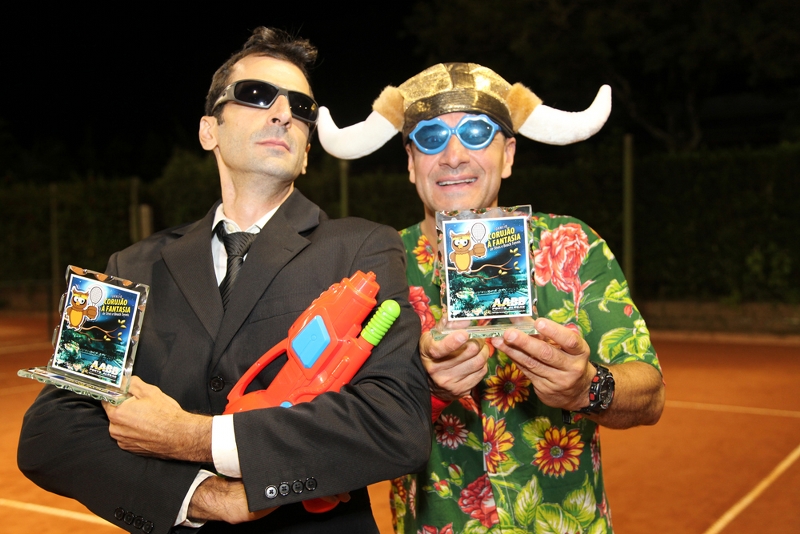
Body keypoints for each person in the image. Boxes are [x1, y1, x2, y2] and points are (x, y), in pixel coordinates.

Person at [17, 28, 431, 534]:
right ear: (208, 130)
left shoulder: (363, 248)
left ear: (306, 152)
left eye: (301, 107)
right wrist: (205, 497)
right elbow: (50, 432)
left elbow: (396, 423)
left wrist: (197, 437)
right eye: (257, 95)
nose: (283, 113)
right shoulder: (129, 267)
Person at [317, 62, 665, 533]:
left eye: (477, 133)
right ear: (411, 163)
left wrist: (587, 387)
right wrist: (426, 392)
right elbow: (338, 424)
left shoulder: (572, 245)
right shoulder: (379, 269)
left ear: (509, 155)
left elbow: (650, 393)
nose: (453, 155)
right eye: (430, 138)